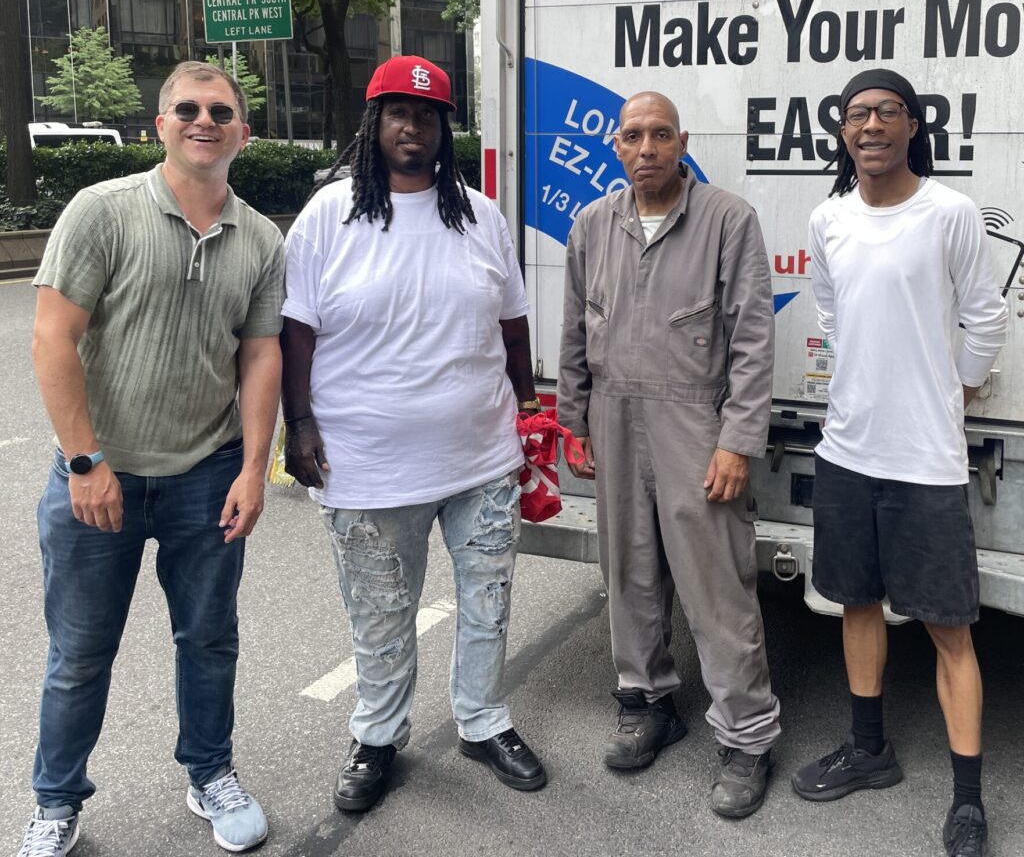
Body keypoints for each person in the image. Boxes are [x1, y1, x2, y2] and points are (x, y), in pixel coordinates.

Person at [17, 61, 284, 857]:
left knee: (209, 640)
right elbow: (51, 338)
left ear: (243, 131)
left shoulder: (262, 238)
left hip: (207, 474)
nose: (205, 120)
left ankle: (210, 774)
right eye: (188, 109)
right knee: (79, 655)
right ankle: (56, 803)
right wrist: (83, 462)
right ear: (160, 125)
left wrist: (251, 469)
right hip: (100, 477)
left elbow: (261, 357)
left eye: (221, 111)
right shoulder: (102, 211)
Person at [280, 54, 546, 814]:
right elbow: (294, 334)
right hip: (366, 464)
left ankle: (483, 720)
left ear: (443, 129)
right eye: (397, 112)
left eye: (427, 114)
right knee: (381, 614)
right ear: (373, 123)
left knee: (488, 601)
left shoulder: (478, 213)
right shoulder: (331, 213)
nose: (412, 125)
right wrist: (297, 427)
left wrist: (528, 411)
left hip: (482, 457)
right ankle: (377, 735)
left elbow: (513, 323)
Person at [791, 69, 1008, 857]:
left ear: (913, 125)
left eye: (886, 112)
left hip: (928, 461)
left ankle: (968, 800)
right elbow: (828, 311)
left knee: (950, 630)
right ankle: (869, 749)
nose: (870, 125)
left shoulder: (948, 213)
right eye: (856, 115)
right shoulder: (828, 219)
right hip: (848, 451)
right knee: (855, 603)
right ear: (843, 133)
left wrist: (951, 388)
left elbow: (985, 317)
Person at [557, 90, 780, 818]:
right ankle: (647, 702)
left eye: (660, 134)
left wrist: (738, 441)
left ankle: (746, 737)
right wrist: (574, 420)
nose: (646, 148)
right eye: (632, 136)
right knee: (628, 574)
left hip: (696, 422)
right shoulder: (592, 225)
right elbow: (573, 336)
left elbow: (751, 340)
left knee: (718, 587)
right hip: (613, 414)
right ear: (614, 147)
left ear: (682, 141)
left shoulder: (727, 220)